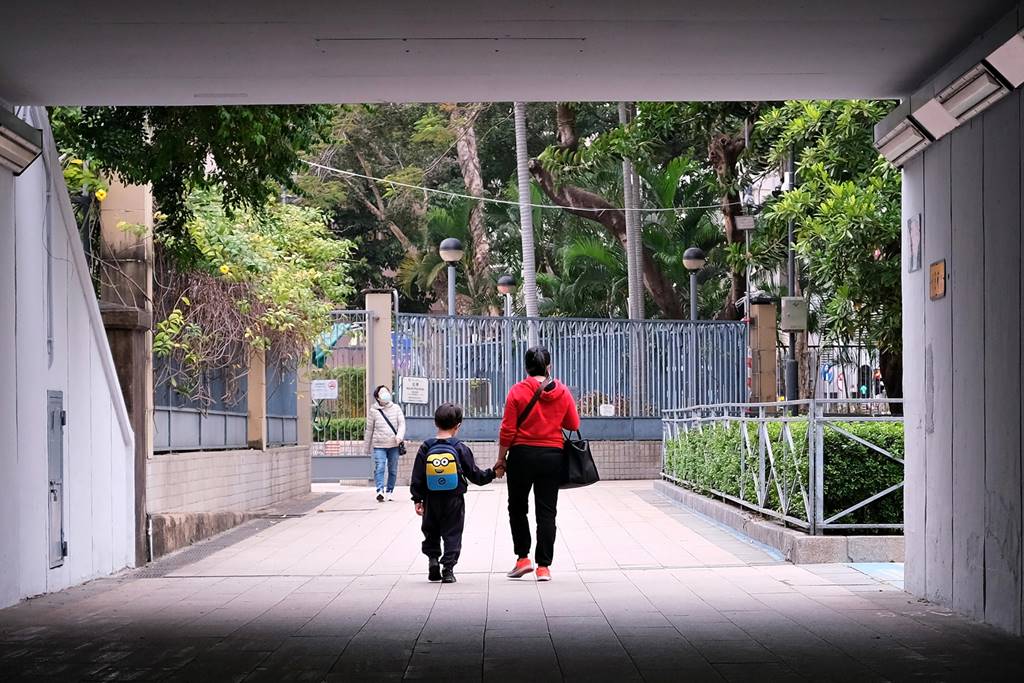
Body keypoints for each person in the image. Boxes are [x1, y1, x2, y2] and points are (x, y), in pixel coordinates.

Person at [495, 346, 580, 582]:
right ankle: (544, 567)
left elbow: (507, 430)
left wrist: (501, 459)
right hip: (552, 456)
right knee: (547, 512)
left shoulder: (517, 391)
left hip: (521, 455)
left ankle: (523, 559)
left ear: (526, 367)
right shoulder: (562, 391)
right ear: (549, 366)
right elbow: (573, 424)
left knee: (518, 507)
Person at [410, 403, 497, 583]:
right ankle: (448, 569)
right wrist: (493, 473)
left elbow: (417, 475)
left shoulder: (426, 446)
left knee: (431, 530)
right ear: (458, 425)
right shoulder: (459, 447)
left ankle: (433, 560)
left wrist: (417, 499)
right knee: (453, 533)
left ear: (435, 423)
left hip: (430, 499)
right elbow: (475, 475)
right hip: (454, 499)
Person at [363, 385, 406, 502]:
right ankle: (379, 490)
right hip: (379, 445)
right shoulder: (373, 411)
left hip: (394, 445)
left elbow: (402, 424)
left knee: (392, 469)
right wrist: (366, 447)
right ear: (377, 397)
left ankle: (390, 491)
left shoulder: (396, 408)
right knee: (380, 467)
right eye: (382, 393)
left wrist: (399, 436)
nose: (386, 394)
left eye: (387, 391)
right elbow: (369, 429)